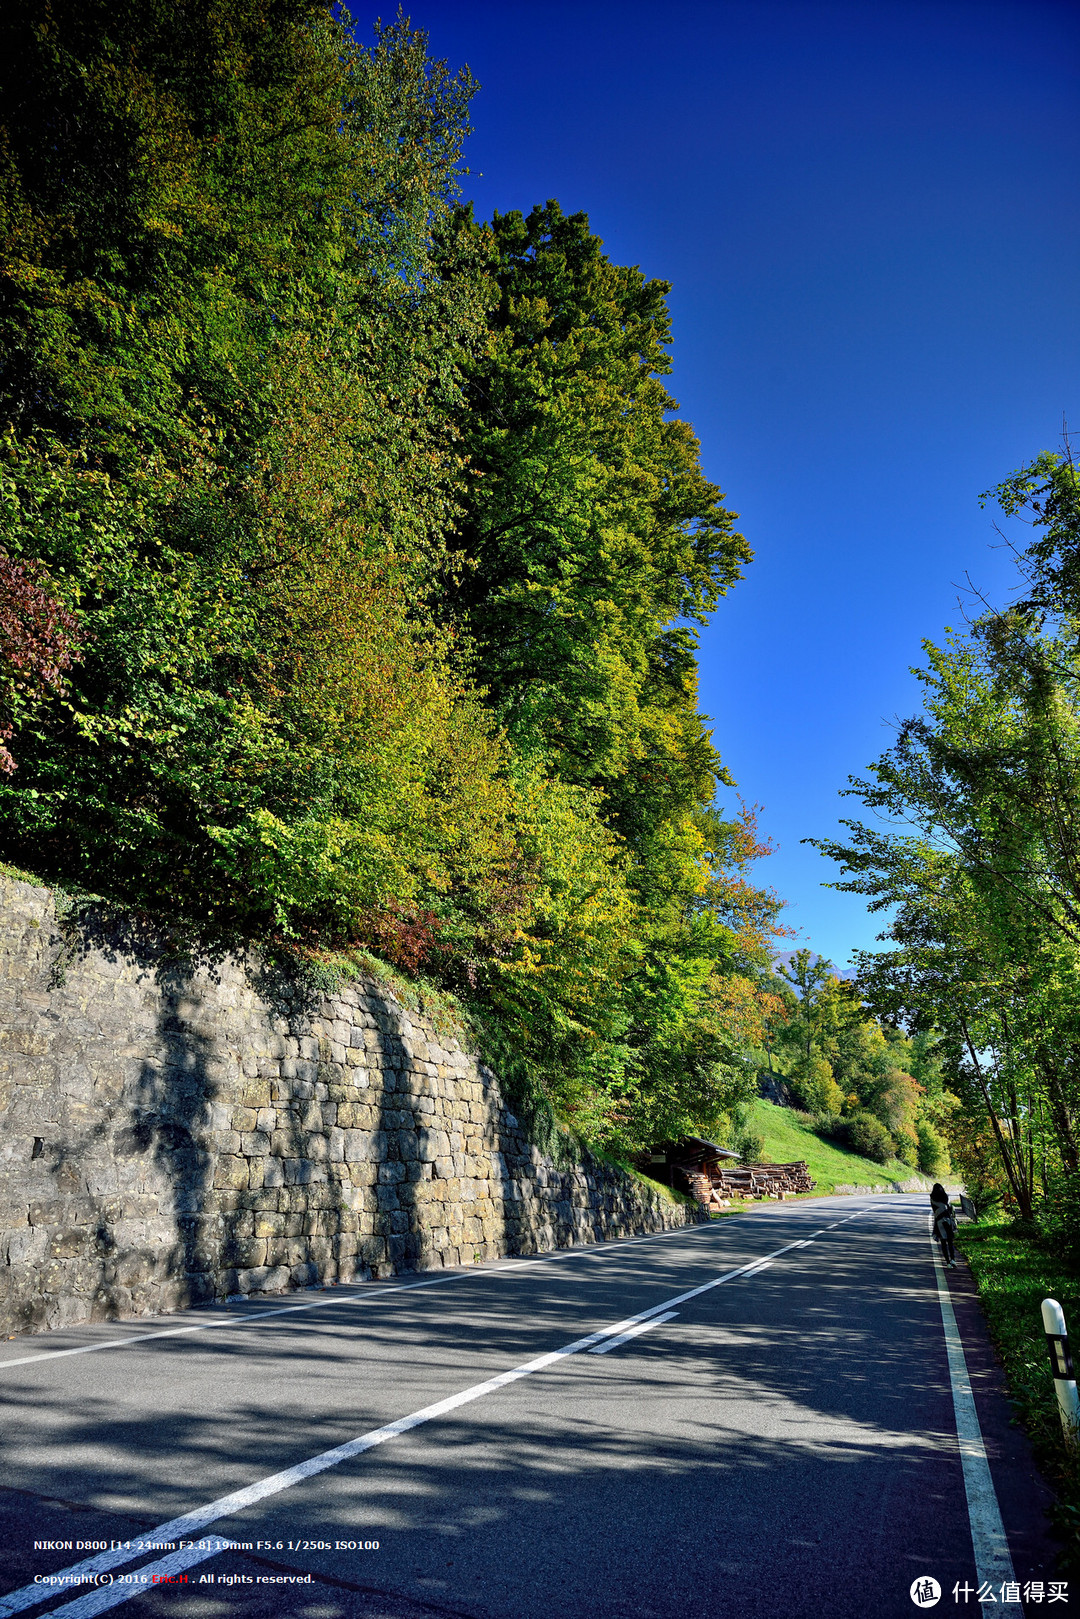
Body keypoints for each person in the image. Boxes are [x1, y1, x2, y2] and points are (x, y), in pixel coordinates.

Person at [930, 1182, 958, 1267]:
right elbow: (949, 1208)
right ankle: (953, 1259)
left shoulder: (932, 1199)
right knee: (950, 1241)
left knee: (943, 1242)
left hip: (939, 1222)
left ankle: (948, 1262)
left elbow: (934, 1210)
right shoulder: (946, 1198)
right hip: (948, 1221)